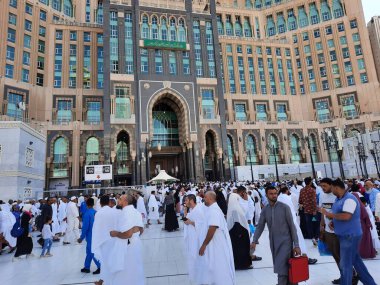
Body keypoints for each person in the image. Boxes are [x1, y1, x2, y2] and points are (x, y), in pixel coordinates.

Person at [320, 179, 377, 285]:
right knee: (357, 263)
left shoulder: (349, 199)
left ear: (336, 188)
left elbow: (346, 216)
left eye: (331, 188)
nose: (330, 190)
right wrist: (334, 222)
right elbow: (339, 214)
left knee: (345, 265)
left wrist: (329, 214)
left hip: (350, 235)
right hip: (343, 235)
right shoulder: (339, 199)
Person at [251, 186, 301, 285]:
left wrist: (296, 245)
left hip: (286, 243)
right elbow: (260, 226)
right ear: (266, 195)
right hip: (274, 243)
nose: (274, 196)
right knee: (286, 268)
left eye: (275, 193)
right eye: (271, 194)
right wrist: (254, 240)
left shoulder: (284, 207)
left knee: (281, 270)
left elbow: (292, 227)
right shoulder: (265, 210)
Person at [199, 191, 235, 285]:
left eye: (205, 197)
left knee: (218, 266)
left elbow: (212, 228)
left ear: (210, 198)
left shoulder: (213, 210)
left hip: (216, 243)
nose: (204, 199)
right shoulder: (212, 208)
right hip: (214, 242)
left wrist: (204, 244)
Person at [109, 194, 145, 285]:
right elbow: (141, 230)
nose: (118, 200)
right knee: (136, 270)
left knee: (126, 273)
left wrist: (115, 233)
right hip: (136, 244)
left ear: (125, 201)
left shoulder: (127, 213)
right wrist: (135, 237)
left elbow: (128, 234)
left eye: (120, 199)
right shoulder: (135, 211)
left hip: (128, 247)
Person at [278, 185, 317, 265]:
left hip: (284, 223)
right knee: (299, 240)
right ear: (286, 191)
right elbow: (292, 209)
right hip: (292, 222)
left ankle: (294, 258)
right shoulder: (286, 198)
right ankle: (303, 257)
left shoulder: (279, 198)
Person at [319, 178, 345, 285]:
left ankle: (349, 275)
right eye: (321, 186)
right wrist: (321, 224)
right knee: (336, 255)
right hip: (328, 231)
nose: (323, 188)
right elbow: (322, 211)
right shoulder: (322, 195)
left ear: (331, 185)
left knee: (342, 255)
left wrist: (334, 220)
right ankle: (343, 275)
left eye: (325, 186)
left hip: (339, 231)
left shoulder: (337, 196)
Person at [92, 195, 119, 285]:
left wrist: (97, 241)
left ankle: (105, 280)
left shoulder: (99, 213)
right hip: (114, 239)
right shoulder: (114, 212)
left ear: (100, 203)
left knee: (104, 262)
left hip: (103, 241)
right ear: (109, 202)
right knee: (113, 260)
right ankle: (107, 280)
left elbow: (96, 229)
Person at [183, 194, 209, 285]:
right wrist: (185, 213)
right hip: (192, 238)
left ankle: (203, 279)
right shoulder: (192, 209)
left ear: (191, 200)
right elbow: (188, 220)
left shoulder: (199, 210)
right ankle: (197, 277)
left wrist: (190, 222)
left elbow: (202, 225)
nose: (185, 202)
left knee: (199, 258)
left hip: (198, 238)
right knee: (194, 257)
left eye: (186, 200)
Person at [227, 193, 252, 269]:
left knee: (237, 249)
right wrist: (239, 233)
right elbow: (237, 221)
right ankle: (243, 264)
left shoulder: (232, 208)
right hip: (239, 232)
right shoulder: (235, 208)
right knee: (241, 249)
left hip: (234, 232)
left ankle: (238, 264)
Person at [77, 198, 100, 274]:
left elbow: (85, 227)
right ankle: (87, 267)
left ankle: (100, 266)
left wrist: (81, 237)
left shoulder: (87, 214)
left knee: (92, 251)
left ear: (86, 204)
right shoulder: (96, 212)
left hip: (90, 235)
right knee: (89, 252)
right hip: (96, 234)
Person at [351, 192, 376, 259]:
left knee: (362, 240)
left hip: (361, 225)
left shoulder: (358, 205)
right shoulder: (358, 205)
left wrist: (368, 224)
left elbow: (366, 216)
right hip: (361, 225)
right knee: (363, 240)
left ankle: (362, 253)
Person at [299, 177, 318, 244]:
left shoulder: (302, 190)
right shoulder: (312, 190)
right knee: (315, 224)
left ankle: (312, 237)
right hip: (313, 211)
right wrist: (315, 210)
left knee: (309, 224)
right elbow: (314, 201)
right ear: (310, 182)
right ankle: (316, 237)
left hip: (306, 211)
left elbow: (300, 200)